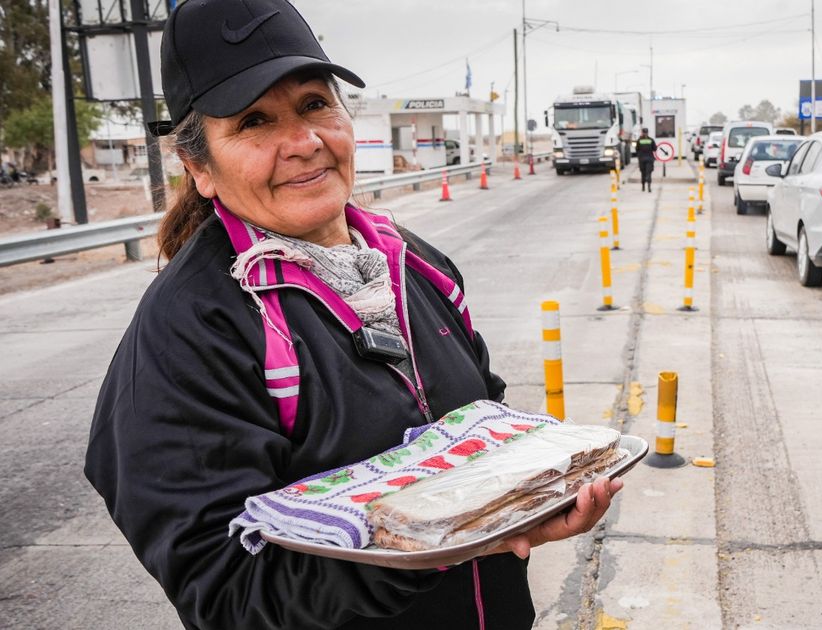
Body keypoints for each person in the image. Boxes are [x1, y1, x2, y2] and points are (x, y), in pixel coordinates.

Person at [83, 1, 622, 628]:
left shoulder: (415, 263)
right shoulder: (190, 330)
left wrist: (528, 503)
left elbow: (484, 428)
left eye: (315, 103)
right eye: (255, 120)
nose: (305, 142)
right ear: (200, 167)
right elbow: (225, 590)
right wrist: (421, 552)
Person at [635, 127, 657, 192]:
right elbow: (655, 149)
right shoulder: (651, 140)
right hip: (650, 159)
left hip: (642, 159)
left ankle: (643, 187)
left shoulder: (639, 140)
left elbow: (637, 149)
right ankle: (649, 187)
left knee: (643, 173)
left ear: (642, 132)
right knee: (649, 172)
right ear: (647, 133)